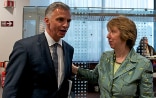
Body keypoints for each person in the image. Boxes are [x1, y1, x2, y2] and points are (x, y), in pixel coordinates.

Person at [2, 2, 74, 98]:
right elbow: (11, 89)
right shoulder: (25, 47)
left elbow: (65, 85)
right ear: (47, 20)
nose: (66, 25)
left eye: (68, 21)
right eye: (60, 19)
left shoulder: (69, 50)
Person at [72, 16, 154, 98]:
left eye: (113, 32)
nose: (108, 36)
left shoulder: (143, 64)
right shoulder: (105, 57)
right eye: (109, 31)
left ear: (126, 35)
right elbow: (95, 77)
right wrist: (73, 68)